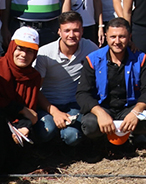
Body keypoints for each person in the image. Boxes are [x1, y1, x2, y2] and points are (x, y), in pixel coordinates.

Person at [76, 17, 146, 143]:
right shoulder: (93, 59)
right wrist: (100, 113)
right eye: (113, 37)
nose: (117, 41)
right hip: (104, 107)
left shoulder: (140, 58)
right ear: (106, 36)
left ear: (129, 37)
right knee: (90, 125)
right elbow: (82, 93)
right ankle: (101, 142)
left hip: (129, 108)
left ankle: (131, 137)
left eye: (122, 37)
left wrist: (136, 112)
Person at [34, 12, 98, 146]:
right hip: (48, 104)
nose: (71, 35)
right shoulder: (45, 54)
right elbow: (36, 89)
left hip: (74, 104)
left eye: (76, 30)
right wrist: (54, 112)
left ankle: (68, 145)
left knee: (72, 136)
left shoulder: (90, 48)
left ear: (82, 30)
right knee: (46, 131)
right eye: (66, 30)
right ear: (59, 31)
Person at [0, 27, 58, 144]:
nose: (24, 55)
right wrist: (20, 109)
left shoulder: (33, 76)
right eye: (20, 49)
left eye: (30, 51)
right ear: (12, 48)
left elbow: (30, 110)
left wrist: (25, 126)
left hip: (15, 126)